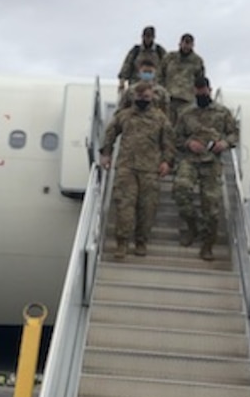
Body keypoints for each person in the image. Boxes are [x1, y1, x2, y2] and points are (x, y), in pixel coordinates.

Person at [99, 82, 175, 259]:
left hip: (150, 169)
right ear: (134, 97)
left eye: (146, 97)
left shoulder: (160, 118)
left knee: (147, 208)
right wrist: (106, 153)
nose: (143, 100)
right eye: (140, 97)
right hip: (127, 168)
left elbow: (168, 142)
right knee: (124, 206)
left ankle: (141, 242)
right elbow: (110, 134)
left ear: (152, 98)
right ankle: (122, 243)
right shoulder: (124, 116)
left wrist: (166, 162)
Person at [173, 75, 239, 260]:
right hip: (190, 161)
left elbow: (235, 134)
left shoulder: (222, 112)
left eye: (204, 90)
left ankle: (207, 245)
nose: (201, 93)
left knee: (211, 207)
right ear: (194, 91)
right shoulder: (186, 113)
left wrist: (225, 143)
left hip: (212, 162)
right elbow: (175, 137)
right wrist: (188, 143)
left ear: (209, 90)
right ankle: (193, 227)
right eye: (198, 90)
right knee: (180, 190)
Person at [161, 33, 205, 125]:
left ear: (192, 45)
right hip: (169, 98)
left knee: (184, 126)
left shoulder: (197, 61)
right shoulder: (169, 57)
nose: (186, 46)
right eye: (185, 43)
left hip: (187, 100)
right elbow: (160, 74)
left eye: (189, 43)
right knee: (167, 126)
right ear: (180, 43)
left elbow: (200, 80)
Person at [117, 26, 167, 94]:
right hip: (136, 86)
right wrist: (122, 82)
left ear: (153, 37)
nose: (148, 38)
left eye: (150, 36)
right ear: (142, 36)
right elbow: (126, 66)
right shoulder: (136, 51)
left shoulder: (159, 51)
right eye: (146, 36)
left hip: (154, 87)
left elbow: (167, 67)